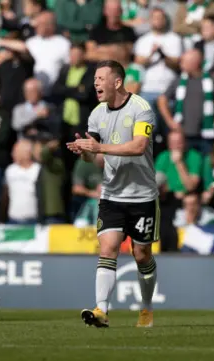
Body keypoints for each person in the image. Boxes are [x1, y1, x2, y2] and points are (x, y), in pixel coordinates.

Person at [67, 60, 158, 328]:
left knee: (142, 255)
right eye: (95, 78)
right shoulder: (96, 114)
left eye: (100, 78)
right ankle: (101, 310)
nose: (95, 83)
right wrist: (83, 150)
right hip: (111, 195)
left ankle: (147, 307)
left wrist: (99, 148)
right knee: (108, 248)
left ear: (117, 82)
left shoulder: (142, 108)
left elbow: (139, 147)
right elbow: (91, 156)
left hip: (142, 196)